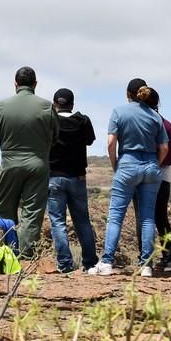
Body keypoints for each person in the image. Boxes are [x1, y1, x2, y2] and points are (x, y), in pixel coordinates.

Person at [88, 79, 168, 277]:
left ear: (128, 94)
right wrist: (155, 164)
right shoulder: (155, 117)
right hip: (150, 167)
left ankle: (106, 262)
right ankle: (146, 266)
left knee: (116, 215)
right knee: (147, 217)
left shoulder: (119, 112)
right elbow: (164, 148)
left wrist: (116, 163)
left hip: (127, 165)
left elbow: (110, 142)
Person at [0, 67, 59, 258]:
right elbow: (56, 134)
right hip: (37, 162)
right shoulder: (46, 106)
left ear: (15, 84)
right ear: (35, 84)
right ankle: (24, 254)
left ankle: (5, 252)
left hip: (10, 162)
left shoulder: (2, 106)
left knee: (5, 209)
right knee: (32, 212)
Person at [46, 88, 98, 273]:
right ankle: (90, 262)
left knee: (58, 222)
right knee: (82, 221)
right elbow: (90, 140)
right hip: (77, 178)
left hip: (54, 177)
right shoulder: (82, 120)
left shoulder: (50, 121)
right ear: (72, 104)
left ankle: (65, 264)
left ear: (54, 103)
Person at [132, 88, 171, 273]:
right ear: (157, 103)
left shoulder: (139, 123)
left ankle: (144, 260)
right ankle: (169, 261)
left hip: (142, 173)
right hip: (164, 175)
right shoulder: (167, 124)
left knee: (142, 217)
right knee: (161, 218)